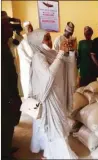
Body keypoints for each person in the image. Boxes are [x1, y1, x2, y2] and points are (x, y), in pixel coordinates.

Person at [28, 29, 77, 159]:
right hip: (50, 98)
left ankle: (49, 153)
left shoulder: (52, 53)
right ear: (37, 42)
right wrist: (61, 53)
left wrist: (71, 52)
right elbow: (48, 76)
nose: (49, 42)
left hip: (59, 94)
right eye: (46, 38)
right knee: (56, 128)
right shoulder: (38, 57)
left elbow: (67, 68)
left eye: (50, 38)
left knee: (57, 125)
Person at [2, 11, 22, 160]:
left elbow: (18, 42)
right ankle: (4, 154)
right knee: (5, 123)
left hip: (10, 92)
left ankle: (7, 147)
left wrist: (18, 31)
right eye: (7, 26)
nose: (11, 29)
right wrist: (10, 98)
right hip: (5, 95)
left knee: (10, 122)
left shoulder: (6, 43)